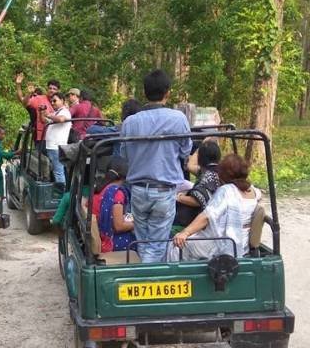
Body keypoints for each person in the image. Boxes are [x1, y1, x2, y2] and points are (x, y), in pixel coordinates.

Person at [121, 69, 192, 263]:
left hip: (137, 191)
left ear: (144, 93)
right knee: (157, 245)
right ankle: (150, 283)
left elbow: (125, 153)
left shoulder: (129, 122)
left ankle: (146, 277)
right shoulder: (178, 119)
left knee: (143, 242)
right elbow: (186, 151)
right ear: (167, 92)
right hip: (164, 191)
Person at [171, 154, 262, 260]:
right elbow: (259, 196)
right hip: (241, 244)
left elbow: (207, 216)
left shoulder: (226, 191)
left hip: (220, 244)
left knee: (176, 246)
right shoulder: (253, 191)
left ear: (223, 174)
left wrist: (185, 232)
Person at [92, 157, 136, 253]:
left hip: (99, 233)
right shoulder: (117, 193)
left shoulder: (99, 187)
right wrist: (137, 225)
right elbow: (118, 226)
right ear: (126, 175)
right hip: (108, 240)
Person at [175, 140, 222, 226]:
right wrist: (201, 147)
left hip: (202, 222)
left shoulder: (208, 175)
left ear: (200, 158)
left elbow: (197, 201)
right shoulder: (214, 170)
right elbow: (190, 166)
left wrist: (178, 197)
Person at [15, 73, 56, 149]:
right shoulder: (39, 99)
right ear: (47, 89)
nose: (52, 90)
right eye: (50, 88)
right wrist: (19, 85)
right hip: (41, 137)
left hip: (55, 137)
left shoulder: (59, 102)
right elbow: (23, 101)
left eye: (54, 89)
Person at [42, 92, 71, 185]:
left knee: (58, 172)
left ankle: (61, 196)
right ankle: (59, 193)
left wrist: (48, 115)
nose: (53, 103)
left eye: (55, 100)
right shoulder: (56, 112)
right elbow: (44, 121)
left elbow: (61, 119)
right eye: (51, 101)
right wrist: (41, 113)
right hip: (52, 146)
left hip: (57, 146)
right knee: (55, 172)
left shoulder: (65, 111)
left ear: (62, 100)